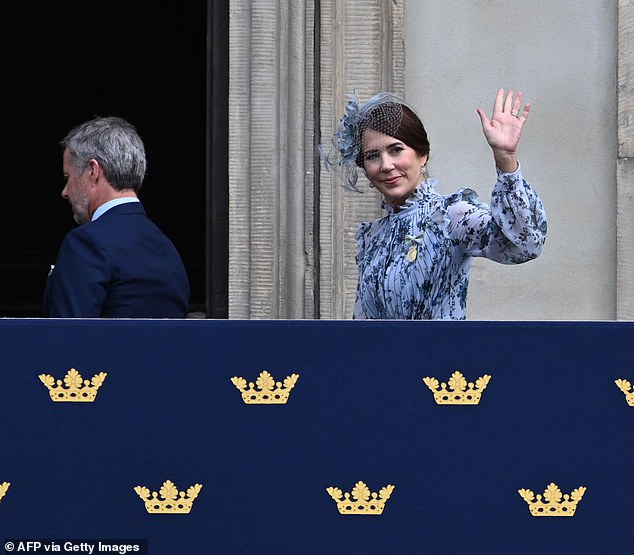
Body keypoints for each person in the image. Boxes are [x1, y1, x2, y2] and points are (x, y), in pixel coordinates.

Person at [321, 88, 547, 320]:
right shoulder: (373, 237)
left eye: (396, 150)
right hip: (381, 356)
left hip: (439, 355)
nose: (386, 165)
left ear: (422, 154)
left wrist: (506, 159)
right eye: (372, 156)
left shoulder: (449, 216)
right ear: (365, 169)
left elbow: (525, 245)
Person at [43, 116, 190, 318]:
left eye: (68, 177)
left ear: (93, 171)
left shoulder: (86, 242)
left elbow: (66, 339)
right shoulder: (167, 249)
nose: (65, 191)